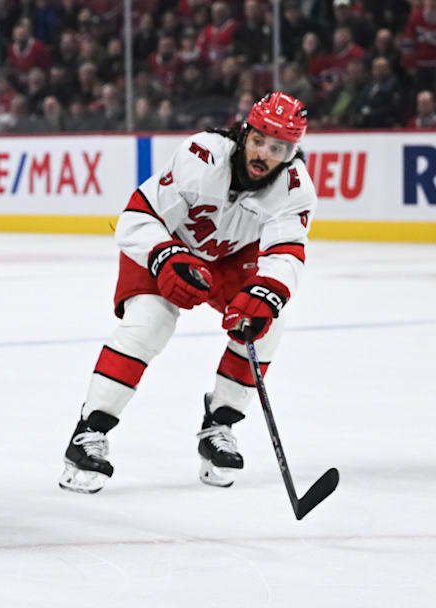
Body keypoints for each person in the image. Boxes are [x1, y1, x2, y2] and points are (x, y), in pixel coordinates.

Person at [59, 92, 316, 494]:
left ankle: (220, 425)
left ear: (291, 152)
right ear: (245, 131)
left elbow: (286, 251)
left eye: (279, 147)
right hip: (165, 245)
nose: (266, 153)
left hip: (231, 259)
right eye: (261, 140)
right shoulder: (202, 155)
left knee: (265, 324)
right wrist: (166, 256)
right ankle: (88, 433)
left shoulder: (294, 187)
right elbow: (139, 218)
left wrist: (267, 293)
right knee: (150, 323)